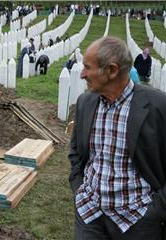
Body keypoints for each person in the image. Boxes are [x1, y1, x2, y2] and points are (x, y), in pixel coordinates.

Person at [69, 36, 166, 239]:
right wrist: (79, 188)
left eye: (88, 67)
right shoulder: (85, 103)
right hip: (89, 212)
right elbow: (76, 152)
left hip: (138, 218)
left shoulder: (158, 106)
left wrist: (157, 208)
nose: (82, 74)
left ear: (112, 70)